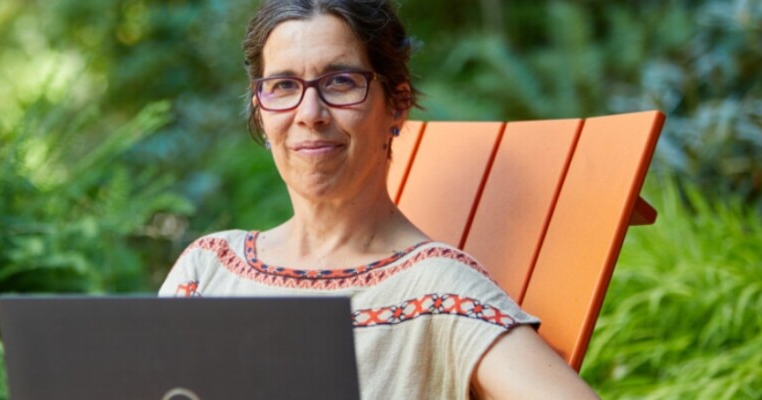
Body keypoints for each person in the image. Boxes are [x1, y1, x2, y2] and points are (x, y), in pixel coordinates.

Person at [159, 0, 599, 398]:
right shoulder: (208, 268)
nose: (309, 114)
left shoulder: (438, 291)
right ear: (260, 109)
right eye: (283, 86)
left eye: (342, 81)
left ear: (397, 103)